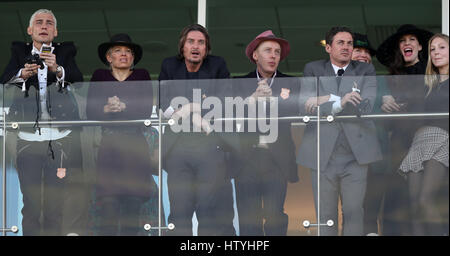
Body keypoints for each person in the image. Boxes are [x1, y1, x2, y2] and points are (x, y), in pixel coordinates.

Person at [0, 9, 85, 235]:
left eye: (49, 23)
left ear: (55, 32)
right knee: (31, 203)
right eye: (39, 23)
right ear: (30, 30)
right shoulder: (20, 51)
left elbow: (78, 80)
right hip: (28, 138)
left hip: (60, 139)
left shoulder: (65, 51)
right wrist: (23, 74)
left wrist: (57, 69)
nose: (44, 26)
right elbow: (5, 79)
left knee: (55, 204)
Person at [297, 26, 382, 236]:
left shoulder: (365, 70)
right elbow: (303, 105)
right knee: (325, 215)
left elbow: (367, 105)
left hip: (355, 154)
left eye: (350, 43)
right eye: (340, 43)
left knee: (354, 211)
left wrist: (324, 100)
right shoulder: (313, 69)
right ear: (328, 48)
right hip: (321, 153)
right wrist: (339, 102)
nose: (346, 47)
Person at [159, 24, 235, 236]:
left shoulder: (217, 65)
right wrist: (194, 109)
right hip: (177, 150)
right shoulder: (169, 66)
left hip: (210, 146)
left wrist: (184, 109)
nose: (196, 46)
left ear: (206, 48)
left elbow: (225, 102)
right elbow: (164, 107)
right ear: (182, 47)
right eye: (191, 41)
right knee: (179, 213)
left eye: (201, 42)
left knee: (208, 210)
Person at [86, 33, 158, 236]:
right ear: (109, 57)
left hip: (135, 144)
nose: (124, 55)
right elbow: (91, 111)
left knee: (132, 208)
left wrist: (124, 106)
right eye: (118, 51)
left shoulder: (142, 75)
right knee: (108, 206)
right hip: (110, 145)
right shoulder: (100, 76)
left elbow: (145, 110)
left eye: (128, 52)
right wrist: (107, 109)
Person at [232, 30, 299, 235]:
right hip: (246, 159)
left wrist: (274, 100)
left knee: (275, 216)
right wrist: (253, 98)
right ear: (255, 55)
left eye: (277, 52)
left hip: (276, 160)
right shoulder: (238, 83)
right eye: (268, 50)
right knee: (248, 217)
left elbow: (296, 112)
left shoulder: (291, 82)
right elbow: (230, 117)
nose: (273, 56)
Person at [376, 24, 434, 235]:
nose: (407, 43)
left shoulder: (432, 74)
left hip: (427, 140)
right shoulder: (392, 78)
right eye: (402, 41)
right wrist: (385, 107)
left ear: (420, 46)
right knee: (397, 197)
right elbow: (385, 122)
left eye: (411, 40)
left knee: (422, 196)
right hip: (400, 143)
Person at [398, 33, 449, 236]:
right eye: (432, 49)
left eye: (441, 47)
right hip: (419, 141)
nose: (436, 52)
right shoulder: (428, 84)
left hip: (444, 140)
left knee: (425, 199)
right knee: (414, 205)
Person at [351, 33, 390, 236]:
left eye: (367, 52)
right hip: (348, 156)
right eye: (359, 50)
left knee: (371, 211)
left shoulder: (381, 82)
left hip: (376, 153)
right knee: (351, 212)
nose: (364, 55)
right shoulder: (337, 81)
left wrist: (389, 100)